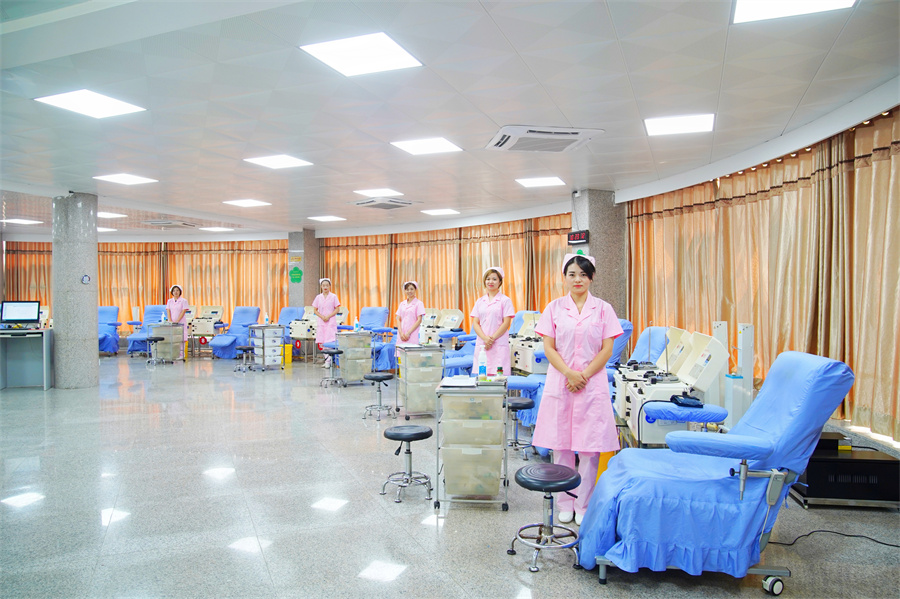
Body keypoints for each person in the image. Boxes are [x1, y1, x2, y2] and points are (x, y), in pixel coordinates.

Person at [532, 254, 623, 526]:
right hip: (562, 381)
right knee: (561, 445)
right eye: (572, 274)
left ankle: (583, 504)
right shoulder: (554, 308)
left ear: (591, 277)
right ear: (564, 278)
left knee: (589, 449)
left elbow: (607, 349)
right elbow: (549, 348)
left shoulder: (604, 309)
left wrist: (583, 375)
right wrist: (570, 373)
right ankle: (565, 502)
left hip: (591, 384)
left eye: (583, 274)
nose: (577, 279)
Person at [470, 266, 515, 376]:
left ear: (500, 282)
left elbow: (506, 323)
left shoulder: (505, 300)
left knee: (499, 377)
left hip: (498, 342)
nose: (491, 282)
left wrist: (491, 339)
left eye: (494, 279)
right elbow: (475, 323)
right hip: (483, 343)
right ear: (484, 281)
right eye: (488, 279)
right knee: (482, 376)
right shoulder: (480, 301)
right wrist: (485, 338)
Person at [312, 277, 340, 367]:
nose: (325, 287)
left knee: (329, 341)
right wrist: (322, 317)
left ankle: (329, 361)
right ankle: (327, 360)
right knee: (322, 342)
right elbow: (315, 310)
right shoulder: (318, 297)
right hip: (321, 322)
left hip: (330, 321)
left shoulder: (333, 296)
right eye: (323, 285)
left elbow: (337, 309)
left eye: (327, 285)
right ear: (321, 286)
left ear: (330, 286)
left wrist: (328, 316)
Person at [395, 281, 426, 349]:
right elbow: (398, 319)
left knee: (410, 353)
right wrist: (400, 333)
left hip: (412, 334)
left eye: (411, 289)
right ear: (405, 291)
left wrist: (408, 333)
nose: (409, 291)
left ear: (415, 290)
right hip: (401, 335)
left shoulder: (419, 304)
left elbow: (419, 320)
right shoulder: (402, 304)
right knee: (400, 353)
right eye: (407, 289)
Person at [166, 284, 189, 359]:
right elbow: (168, 310)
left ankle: (182, 355)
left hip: (181, 322)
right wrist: (170, 320)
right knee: (173, 338)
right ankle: (174, 354)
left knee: (181, 338)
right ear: (172, 292)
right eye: (174, 291)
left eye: (177, 290)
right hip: (172, 323)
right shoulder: (169, 301)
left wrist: (177, 321)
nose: (175, 292)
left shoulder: (183, 301)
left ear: (180, 292)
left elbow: (183, 311)